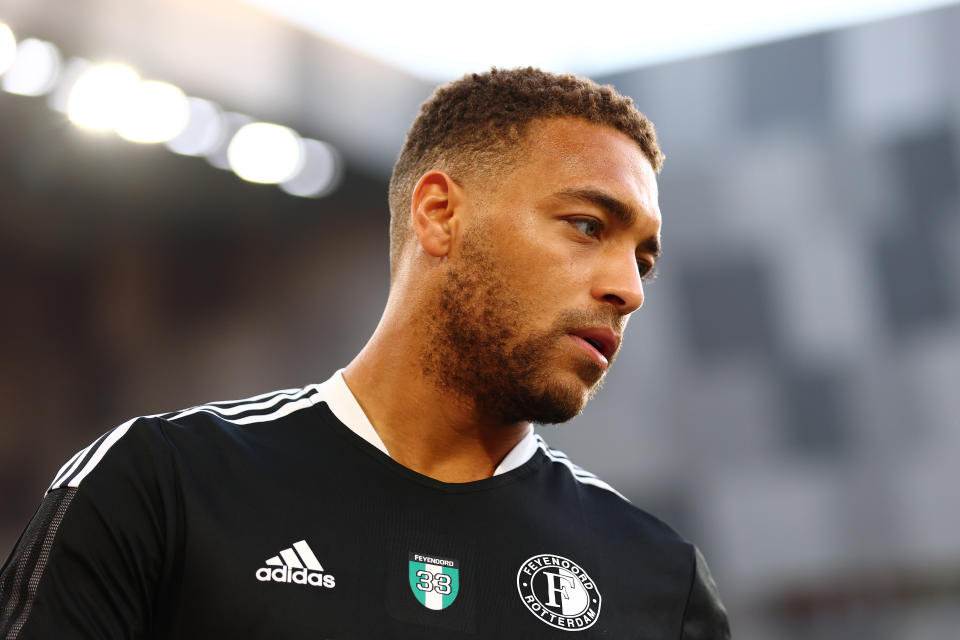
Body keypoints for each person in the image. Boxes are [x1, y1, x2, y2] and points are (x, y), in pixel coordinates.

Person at [0, 67, 730, 638]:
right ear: (440, 214)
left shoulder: (659, 583)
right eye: (586, 225)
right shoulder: (161, 488)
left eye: (645, 260)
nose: (627, 289)